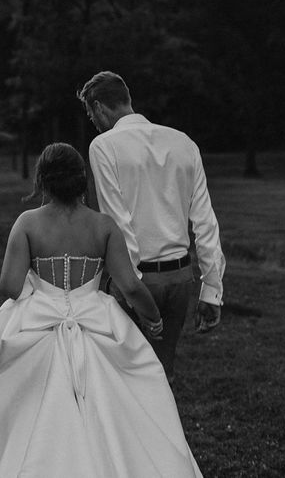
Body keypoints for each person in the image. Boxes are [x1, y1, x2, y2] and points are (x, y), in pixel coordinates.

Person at [0, 143, 203, 478]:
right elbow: (130, 285)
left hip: (38, 319)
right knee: (121, 402)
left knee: (27, 407)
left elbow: (9, 286)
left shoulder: (27, 223)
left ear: (43, 181)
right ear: (82, 180)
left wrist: (42, 289)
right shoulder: (103, 226)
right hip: (97, 320)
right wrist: (153, 318)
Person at [78, 71, 225, 380]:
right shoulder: (183, 143)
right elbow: (205, 221)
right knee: (162, 376)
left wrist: (133, 289)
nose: (92, 120)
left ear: (99, 107)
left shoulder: (104, 146)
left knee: (125, 380)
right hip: (180, 281)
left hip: (137, 280)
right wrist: (211, 289)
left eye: (90, 113)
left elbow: (117, 221)